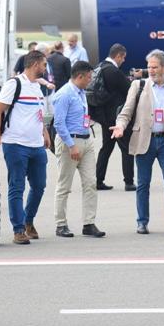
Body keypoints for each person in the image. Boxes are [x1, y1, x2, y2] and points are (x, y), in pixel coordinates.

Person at [112, 49, 164, 236]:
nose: (151, 70)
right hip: (145, 141)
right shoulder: (138, 86)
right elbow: (126, 112)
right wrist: (120, 126)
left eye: (155, 67)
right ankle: (142, 222)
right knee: (143, 184)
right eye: (149, 67)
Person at [0, 49, 51, 245]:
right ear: (35, 65)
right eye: (44, 64)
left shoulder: (37, 87)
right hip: (15, 144)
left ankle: (28, 220)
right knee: (17, 187)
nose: (45, 68)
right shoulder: (14, 84)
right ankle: (18, 229)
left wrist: (45, 133)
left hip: (37, 145)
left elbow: (38, 114)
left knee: (39, 186)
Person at [51, 61, 105, 238]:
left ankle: (89, 223)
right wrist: (71, 145)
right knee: (64, 185)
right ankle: (61, 224)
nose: (90, 80)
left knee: (90, 183)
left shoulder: (81, 93)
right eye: (89, 77)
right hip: (70, 142)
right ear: (80, 76)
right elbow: (59, 124)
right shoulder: (64, 94)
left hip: (86, 140)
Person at [92, 43, 136, 192]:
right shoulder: (114, 71)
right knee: (126, 148)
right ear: (118, 56)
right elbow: (129, 90)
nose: (123, 60)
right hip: (117, 117)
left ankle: (98, 180)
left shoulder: (100, 67)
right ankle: (129, 181)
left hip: (104, 117)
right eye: (123, 57)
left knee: (106, 148)